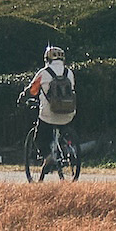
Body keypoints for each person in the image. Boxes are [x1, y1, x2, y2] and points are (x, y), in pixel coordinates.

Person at [21, 45, 79, 173]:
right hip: (68, 113)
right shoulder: (69, 73)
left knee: (39, 137)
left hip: (49, 114)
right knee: (63, 129)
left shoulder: (44, 73)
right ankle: (66, 147)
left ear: (47, 59)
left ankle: (48, 157)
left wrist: (22, 98)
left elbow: (32, 90)